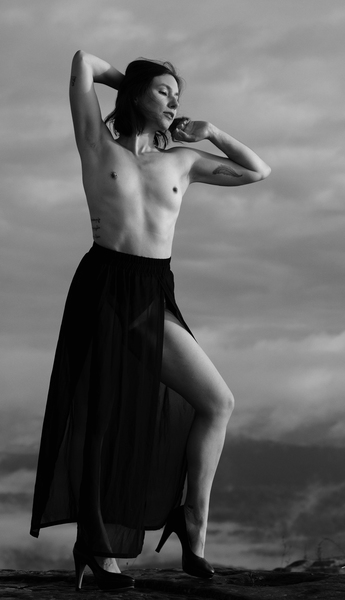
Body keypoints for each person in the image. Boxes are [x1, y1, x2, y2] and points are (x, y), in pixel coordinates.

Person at [30, 50, 270, 592]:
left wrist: (211, 131)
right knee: (98, 421)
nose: (174, 102)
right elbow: (82, 62)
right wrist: (131, 83)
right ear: (136, 94)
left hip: (151, 292)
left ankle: (192, 521)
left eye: (178, 96)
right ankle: (96, 548)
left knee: (218, 401)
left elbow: (259, 172)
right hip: (102, 285)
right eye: (164, 91)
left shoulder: (182, 161)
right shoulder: (96, 144)